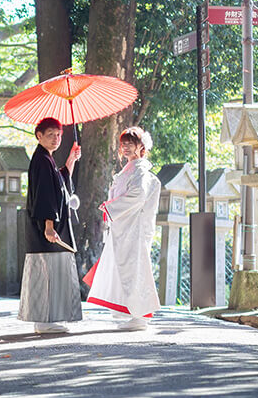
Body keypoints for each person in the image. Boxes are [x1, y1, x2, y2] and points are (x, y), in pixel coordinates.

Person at [85, 126, 161, 331]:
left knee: (134, 269)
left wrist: (110, 208)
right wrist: (111, 208)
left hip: (134, 229)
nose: (126, 147)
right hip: (124, 228)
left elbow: (137, 197)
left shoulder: (140, 171)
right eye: (123, 143)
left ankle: (141, 314)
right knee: (123, 268)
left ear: (141, 146)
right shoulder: (129, 171)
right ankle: (130, 311)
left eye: (131, 143)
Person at [18, 116, 82, 333]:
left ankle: (46, 320)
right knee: (47, 272)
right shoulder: (42, 161)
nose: (56, 139)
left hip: (50, 227)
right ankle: (45, 321)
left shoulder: (46, 160)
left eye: (58, 135)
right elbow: (46, 195)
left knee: (49, 272)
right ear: (39, 136)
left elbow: (59, 184)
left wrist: (71, 160)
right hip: (48, 229)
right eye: (50, 135)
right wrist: (48, 225)